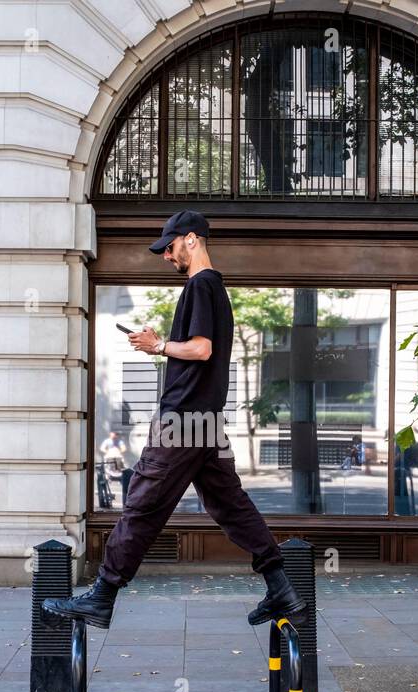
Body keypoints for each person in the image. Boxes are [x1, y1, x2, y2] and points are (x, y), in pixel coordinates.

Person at [43, 210, 305, 629]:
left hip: (183, 422)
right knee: (230, 505)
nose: (166, 255)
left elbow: (201, 349)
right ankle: (281, 589)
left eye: (169, 246)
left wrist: (158, 344)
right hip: (206, 423)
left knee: (142, 504)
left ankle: (103, 595)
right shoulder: (215, 290)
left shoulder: (200, 285)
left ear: (192, 240)